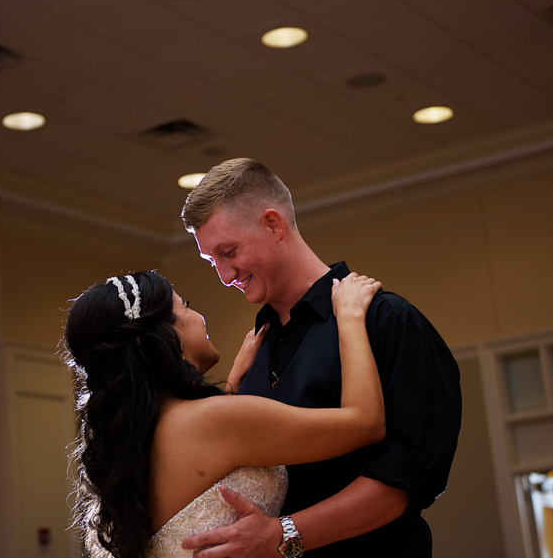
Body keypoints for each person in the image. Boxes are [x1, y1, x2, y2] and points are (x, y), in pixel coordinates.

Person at [179, 158, 462, 558]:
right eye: (213, 263)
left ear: (273, 224)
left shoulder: (387, 320)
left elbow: (407, 477)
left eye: (229, 252)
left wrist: (283, 535)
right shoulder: (255, 347)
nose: (225, 276)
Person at [64, 269, 387, 558]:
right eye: (186, 306)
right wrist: (350, 317)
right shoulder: (218, 421)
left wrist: (231, 382)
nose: (199, 316)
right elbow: (365, 423)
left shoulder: (129, 441)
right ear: (163, 335)